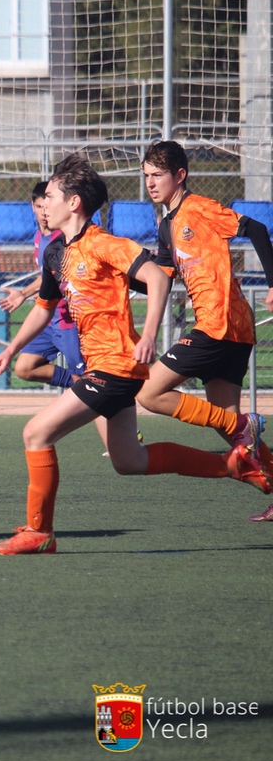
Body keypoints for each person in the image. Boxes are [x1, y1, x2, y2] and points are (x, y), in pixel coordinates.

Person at [0, 155, 272, 554]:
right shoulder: (54, 253)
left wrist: (149, 334)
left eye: (49, 196)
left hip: (116, 367)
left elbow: (157, 277)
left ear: (73, 203)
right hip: (104, 366)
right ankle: (232, 465)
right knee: (129, 461)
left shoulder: (104, 243)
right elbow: (44, 308)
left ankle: (40, 532)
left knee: (36, 433)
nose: (42, 204)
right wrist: (11, 349)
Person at [133, 140, 273, 522]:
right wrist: (120, 275)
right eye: (146, 176)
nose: (150, 183)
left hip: (219, 324)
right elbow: (159, 281)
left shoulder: (200, 208)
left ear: (180, 175)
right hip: (231, 329)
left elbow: (257, 228)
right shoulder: (166, 226)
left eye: (157, 175)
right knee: (230, 428)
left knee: (148, 392)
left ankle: (244, 425)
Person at [0, 181, 110, 453]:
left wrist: (24, 293)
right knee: (25, 368)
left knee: (93, 384)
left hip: (69, 321)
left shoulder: (65, 238)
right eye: (39, 206)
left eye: (46, 204)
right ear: (32, 207)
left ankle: (120, 441)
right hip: (49, 321)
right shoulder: (39, 238)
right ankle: (74, 382)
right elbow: (47, 278)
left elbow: (54, 276)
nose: (43, 211)